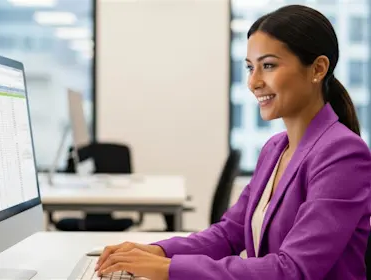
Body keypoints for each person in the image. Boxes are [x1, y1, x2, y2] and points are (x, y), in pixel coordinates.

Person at [95, 4, 371, 280]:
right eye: (251, 68)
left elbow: (294, 270)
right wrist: (156, 251)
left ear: (318, 69)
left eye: (269, 66)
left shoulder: (343, 154)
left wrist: (168, 269)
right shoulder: (275, 149)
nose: (254, 82)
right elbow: (229, 234)